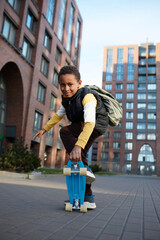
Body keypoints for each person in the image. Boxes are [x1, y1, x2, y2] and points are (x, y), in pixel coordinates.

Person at [33, 65, 109, 209]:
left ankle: (86, 171)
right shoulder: (67, 99)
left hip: (95, 125)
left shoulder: (88, 97)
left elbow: (89, 123)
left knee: (68, 135)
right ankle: (89, 198)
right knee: (78, 158)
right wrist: (45, 128)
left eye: (70, 84)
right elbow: (58, 115)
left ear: (79, 84)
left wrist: (78, 146)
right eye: (63, 85)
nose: (66, 88)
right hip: (81, 124)